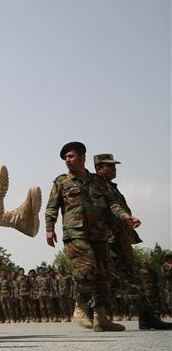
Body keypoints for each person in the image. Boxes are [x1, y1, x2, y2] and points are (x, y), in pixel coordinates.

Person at [45, 142, 135, 332]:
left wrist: (126, 217)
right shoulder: (61, 181)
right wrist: (49, 228)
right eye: (65, 158)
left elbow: (113, 205)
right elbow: (52, 207)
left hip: (99, 233)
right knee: (86, 269)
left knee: (103, 274)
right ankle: (80, 306)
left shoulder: (98, 182)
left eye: (71, 156)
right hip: (75, 232)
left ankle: (101, 317)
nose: (67, 160)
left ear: (82, 157)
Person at [93, 153, 171, 330]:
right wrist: (127, 218)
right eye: (110, 166)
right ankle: (147, 318)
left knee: (111, 281)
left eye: (114, 166)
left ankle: (95, 314)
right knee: (131, 279)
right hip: (112, 241)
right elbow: (113, 208)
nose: (114, 169)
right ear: (99, 168)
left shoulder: (108, 187)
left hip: (115, 239)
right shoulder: (99, 188)